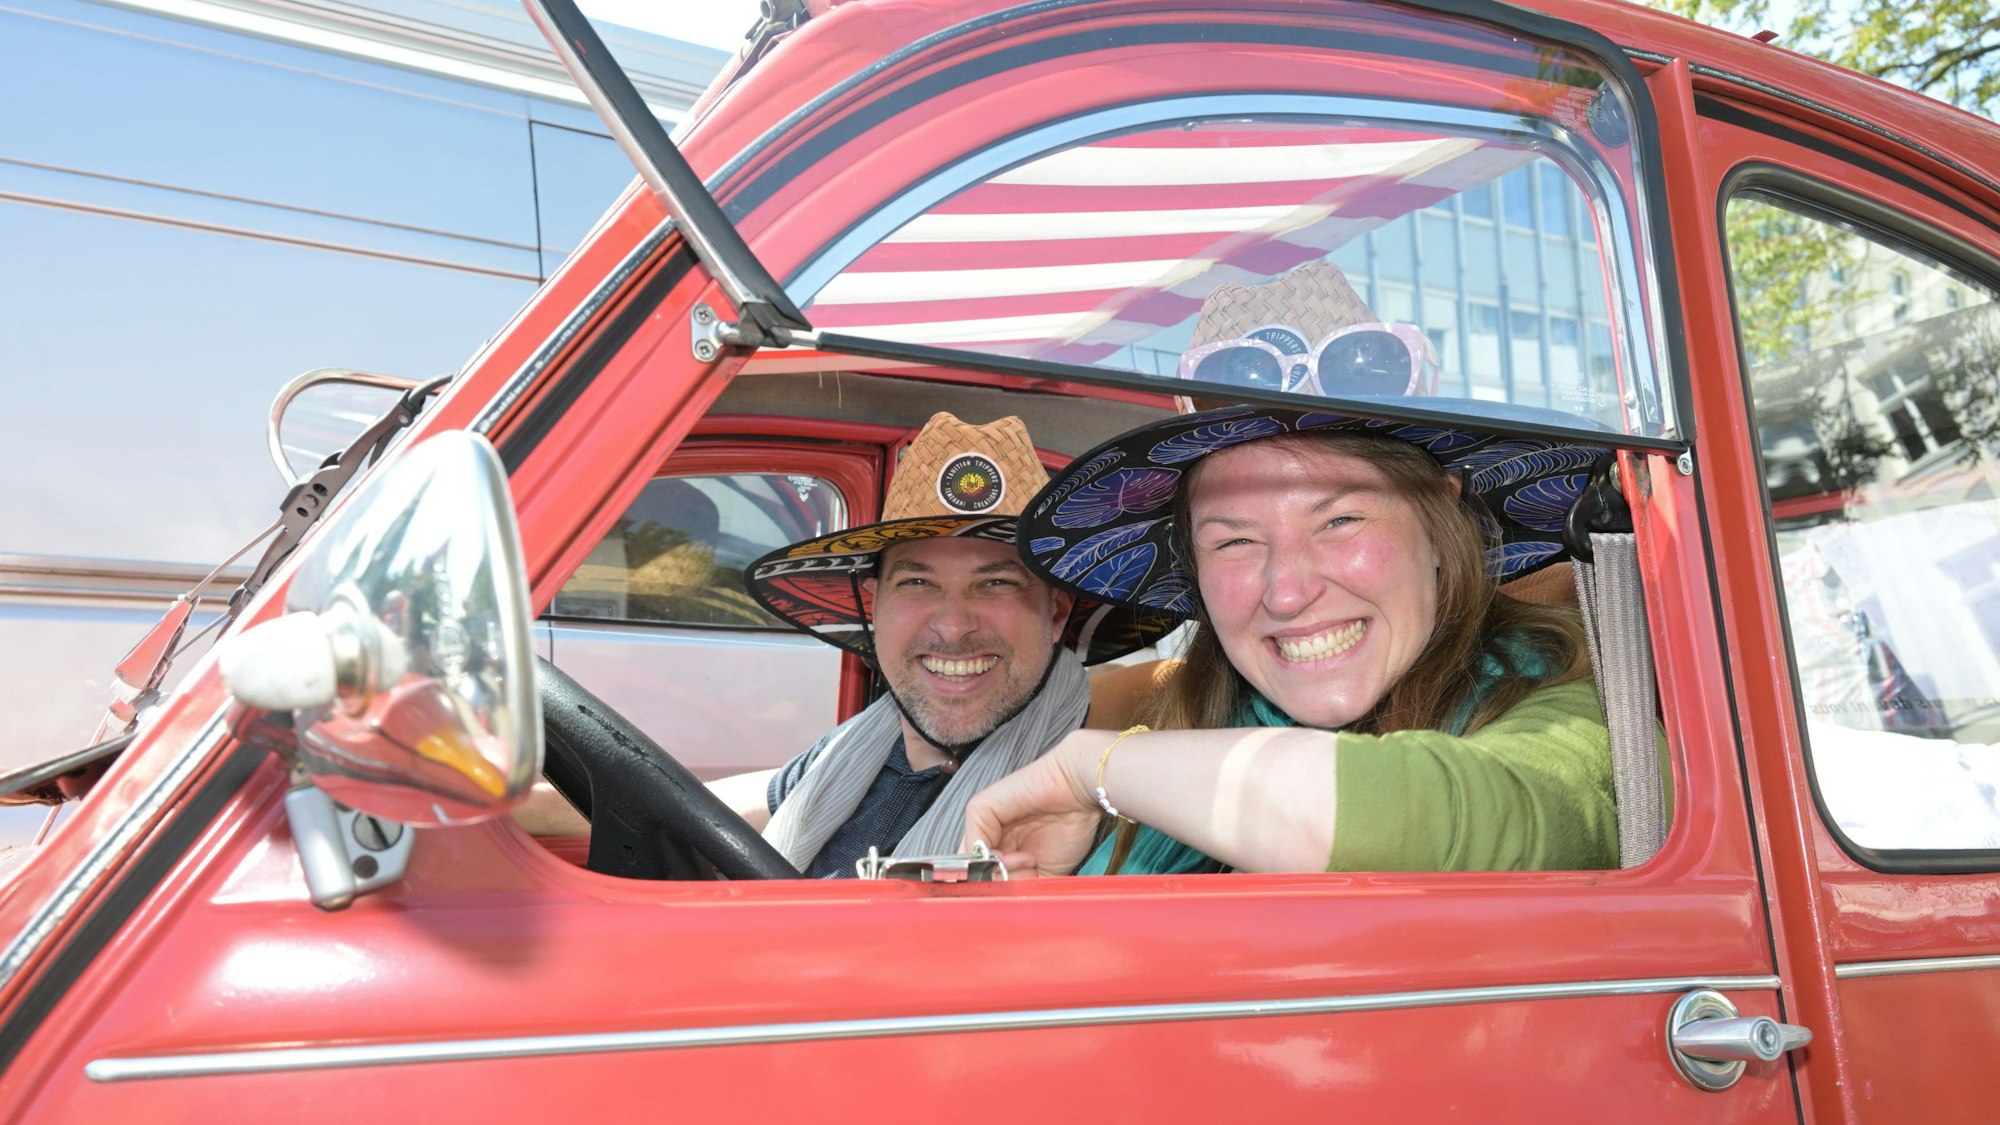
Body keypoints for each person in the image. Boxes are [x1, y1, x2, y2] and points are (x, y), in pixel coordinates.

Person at [963, 402, 1626, 876]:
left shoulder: (1585, 717)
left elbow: (1410, 814)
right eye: (1235, 541)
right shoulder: (1175, 752)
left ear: (1438, 522)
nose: (1285, 591)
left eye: (1339, 519)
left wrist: (1090, 767)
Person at [724, 412, 1174, 878]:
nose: (954, 626)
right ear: (874, 607)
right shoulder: (859, 748)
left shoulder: (1103, 797)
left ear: (1056, 612)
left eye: (996, 583)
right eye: (918, 582)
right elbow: (736, 806)